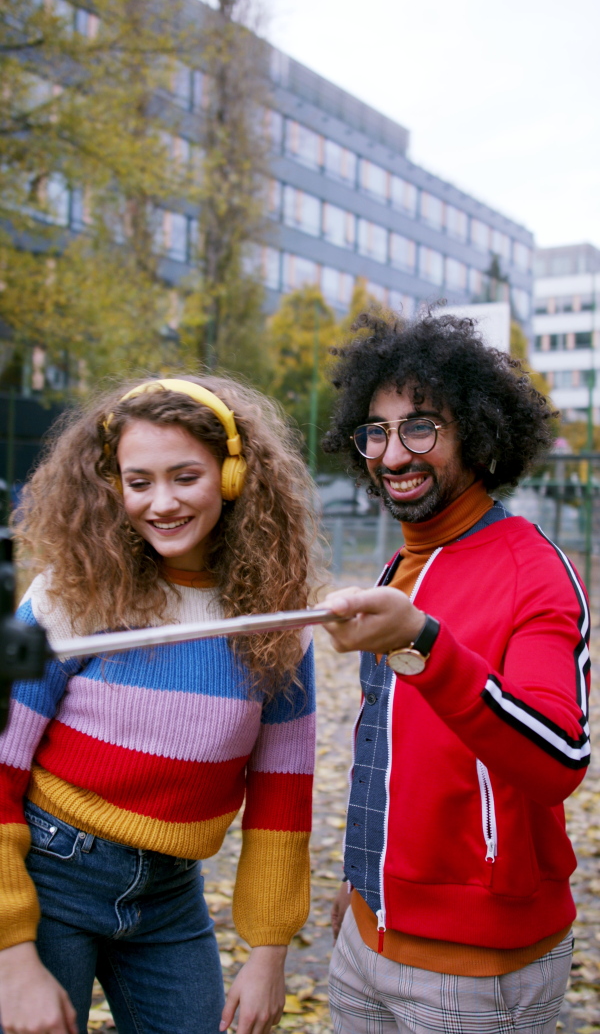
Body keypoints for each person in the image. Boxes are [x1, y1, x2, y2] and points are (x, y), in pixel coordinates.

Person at [0, 376, 317, 1034]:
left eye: (185, 476)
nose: (162, 501)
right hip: (50, 877)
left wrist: (268, 953)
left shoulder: (276, 621)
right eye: (138, 480)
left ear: (233, 477)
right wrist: (11, 953)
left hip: (171, 894)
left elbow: (282, 797)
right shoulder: (70, 594)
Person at [320, 312, 591, 1034]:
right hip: (363, 940)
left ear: (477, 430)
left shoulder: (534, 570)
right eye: (376, 431)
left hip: (479, 970)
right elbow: (390, 750)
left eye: (421, 426)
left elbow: (560, 757)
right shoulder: (399, 563)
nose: (393, 453)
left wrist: (425, 645)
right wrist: (361, 890)